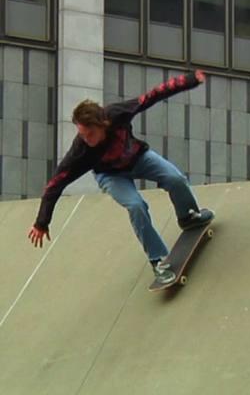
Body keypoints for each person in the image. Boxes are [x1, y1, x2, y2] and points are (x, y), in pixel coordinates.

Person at [28, 69, 215, 284]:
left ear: (103, 124)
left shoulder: (117, 113)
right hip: (110, 176)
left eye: (90, 134)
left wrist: (190, 80)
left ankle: (188, 216)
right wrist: (42, 222)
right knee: (136, 206)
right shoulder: (80, 152)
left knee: (175, 178)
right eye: (82, 134)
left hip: (138, 158)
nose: (86, 139)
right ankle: (158, 260)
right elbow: (55, 184)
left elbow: (154, 95)